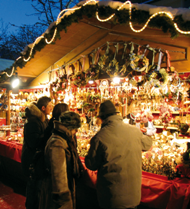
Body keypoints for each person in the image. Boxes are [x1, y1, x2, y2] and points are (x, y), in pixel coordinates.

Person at [85, 100, 153, 209]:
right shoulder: (134, 131)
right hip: (133, 195)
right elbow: (148, 144)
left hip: (111, 197)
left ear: (102, 118)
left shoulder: (99, 138)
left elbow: (91, 164)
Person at [39, 111, 82, 209]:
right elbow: (58, 174)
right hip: (58, 197)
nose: (76, 132)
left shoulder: (62, 139)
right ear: (69, 127)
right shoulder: (57, 143)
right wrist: (63, 199)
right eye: (75, 129)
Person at [21, 96, 53, 209]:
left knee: (38, 192)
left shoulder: (44, 119)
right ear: (43, 108)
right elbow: (35, 143)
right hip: (32, 162)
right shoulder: (33, 121)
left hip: (38, 162)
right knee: (33, 192)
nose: (51, 107)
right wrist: (49, 131)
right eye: (50, 105)